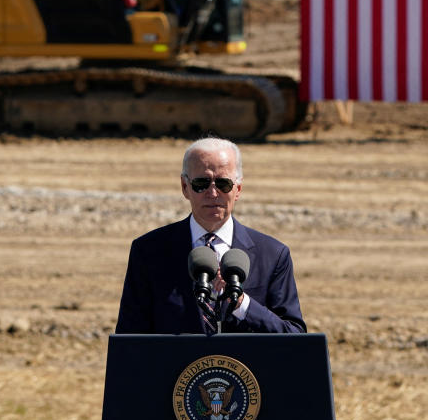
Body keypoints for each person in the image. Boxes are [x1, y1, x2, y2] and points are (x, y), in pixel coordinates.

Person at [115, 137, 305, 334]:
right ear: (184, 187)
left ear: (237, 189)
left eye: (223, 184)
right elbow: (129, 340)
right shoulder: (149, 252)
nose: (213, 193)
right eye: (201, 183)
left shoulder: (273, 255)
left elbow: (295, 337)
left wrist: (242, 305)